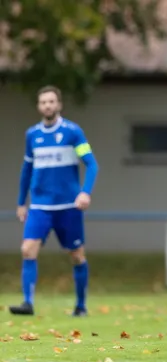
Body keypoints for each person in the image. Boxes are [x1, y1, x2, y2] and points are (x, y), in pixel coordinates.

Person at [9, 85, 100, 317]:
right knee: (27, 249)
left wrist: (85, 192)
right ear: (39, 106)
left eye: (51, 101)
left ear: (58, 104)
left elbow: (91, 164)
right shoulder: (32, 135)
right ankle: (28, 303)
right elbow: (26, 170)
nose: (47, 105)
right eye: (43, 102)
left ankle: (81, 306)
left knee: (77, 255)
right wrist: (22, 202)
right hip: (40, 206)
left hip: (68, 207)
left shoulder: (72, 132)